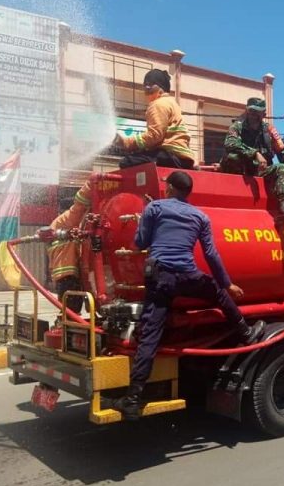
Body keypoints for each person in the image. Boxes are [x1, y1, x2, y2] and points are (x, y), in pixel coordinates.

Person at [113, 171, 265, 420]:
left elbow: (140, 243)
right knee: (217, 293)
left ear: (171, 188)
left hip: (160, 278)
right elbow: (211, 255)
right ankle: (245, 331)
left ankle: (132, 399)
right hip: (187, 275)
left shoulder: (155, 208)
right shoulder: (200, 216)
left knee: (151, 334)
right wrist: (228, 284)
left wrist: (146, 226)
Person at [219, 97, 284, 225]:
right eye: (251, 111)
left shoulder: (269, 130)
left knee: (281, 167)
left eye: (257, 113)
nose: (253, 116)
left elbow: (283, 152)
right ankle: (232, 198)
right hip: (240, 172)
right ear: (247, 111)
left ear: (263, 114)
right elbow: (230, 143)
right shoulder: (237, 126)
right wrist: (255, 153)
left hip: (258, 171)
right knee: (232, 157)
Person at [114, 69, 196, 170]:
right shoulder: (171, 103)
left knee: (127, 162)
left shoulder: (158, 104)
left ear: (160, 88)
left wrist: (127, 143)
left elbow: (155, 135)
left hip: (170, 155)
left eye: (149, 85)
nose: (146, 89)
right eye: (145, 86)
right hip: (180, 158)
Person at [40, 180, 92, 313]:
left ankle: (65, 324)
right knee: (71, 311)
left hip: (63, 274)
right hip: (68, 273)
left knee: (69, 310)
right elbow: (80, 204)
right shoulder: (67, 219)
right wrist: (91, 183)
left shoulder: (56, 223)